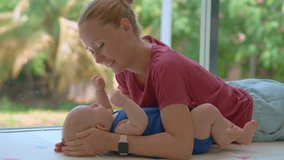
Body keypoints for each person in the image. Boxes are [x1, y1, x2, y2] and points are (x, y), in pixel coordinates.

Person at [55, 0, 284, 159]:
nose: (97, 58)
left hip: (255, 112)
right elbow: (132, 122)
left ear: (125, 27)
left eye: (100, 46)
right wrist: (77, 141)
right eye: (90, 51)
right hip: (227, 92)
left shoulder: (164, 67)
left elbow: (181, 147)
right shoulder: (124, 68)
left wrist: (108, 142)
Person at [59, 76, 258, 156]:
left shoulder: (111, 124)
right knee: (208, 111)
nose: (96, 105)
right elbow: (141, 122)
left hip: (183, 127)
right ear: (101, 128)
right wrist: (127, 103)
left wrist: (99, 90)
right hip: (188, 139)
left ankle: (239, 134)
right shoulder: (120, 129)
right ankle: (227, 139)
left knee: (209, 114)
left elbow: (105, 110)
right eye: (92, 109)